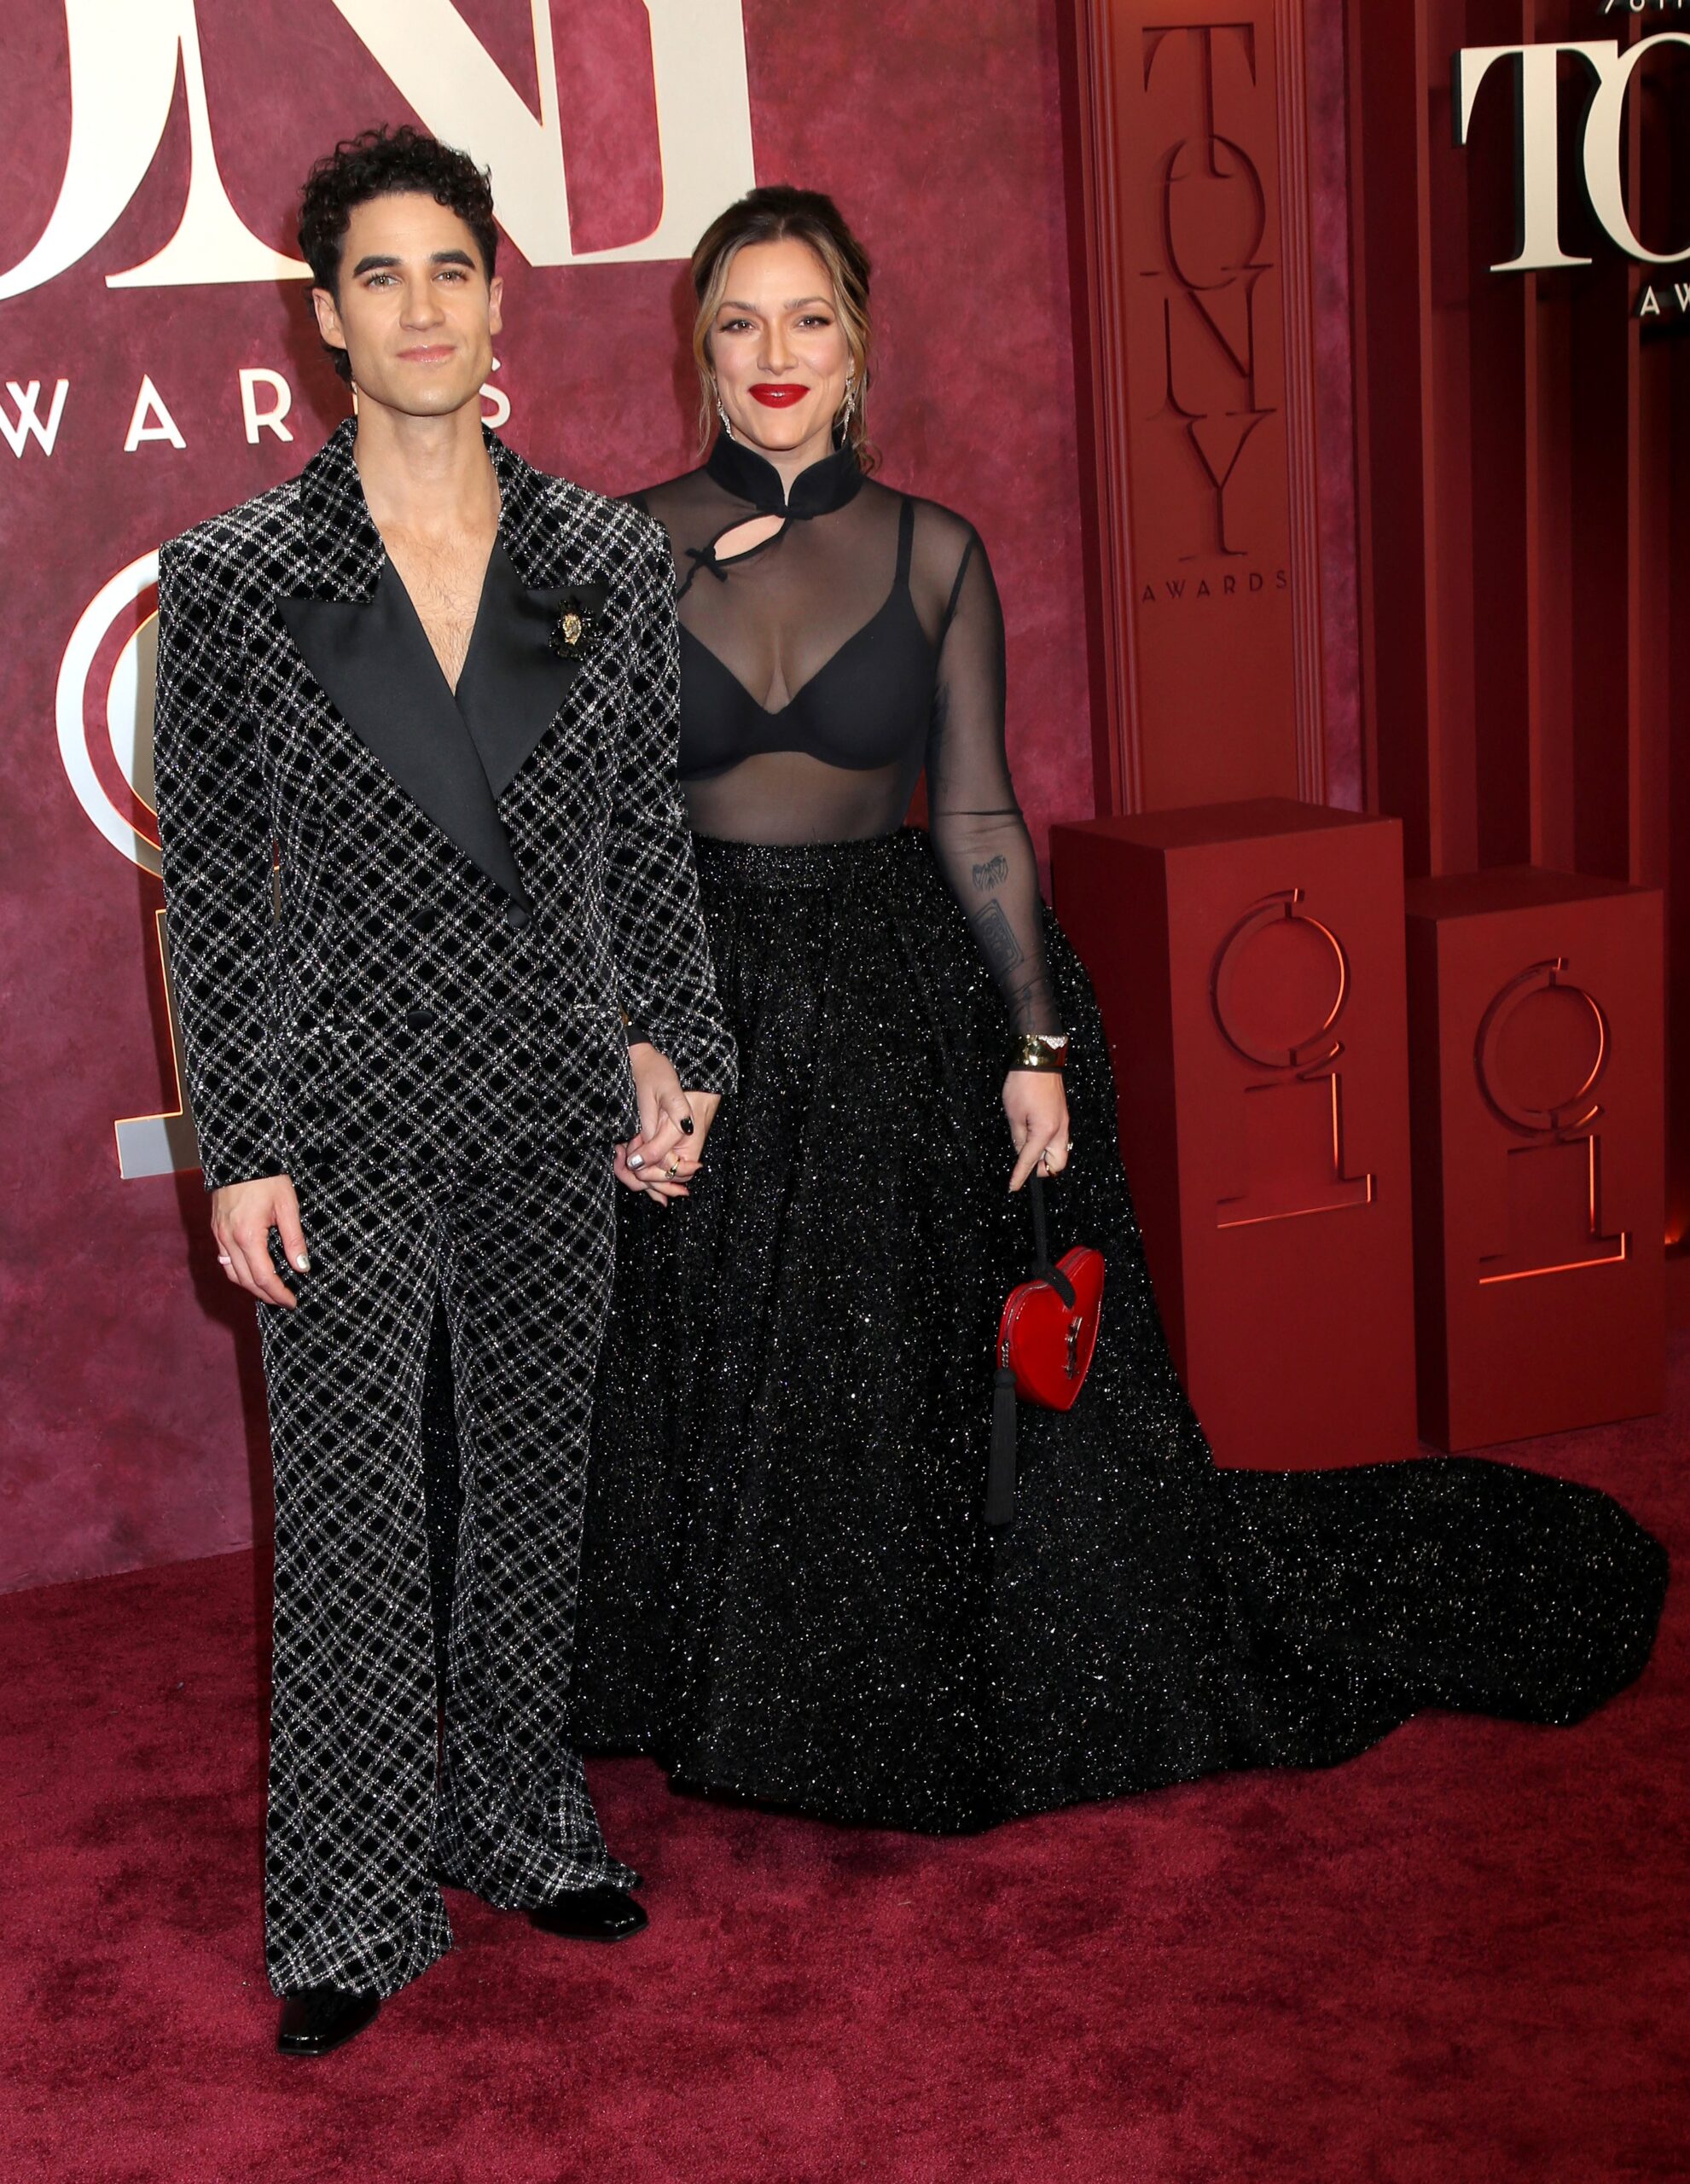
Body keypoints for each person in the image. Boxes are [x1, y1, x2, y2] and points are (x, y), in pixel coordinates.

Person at [572, 186, 1667, 1833]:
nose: (774, 354)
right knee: (709, 1345)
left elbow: (978, 816)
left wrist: (1032, 1041)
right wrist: (630, 1035)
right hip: (701, 993)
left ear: (857, 343)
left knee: (889, 1362)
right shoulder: (617, 544)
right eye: (739, 322)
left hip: (895, 994)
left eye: (808, 319)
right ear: (699, 352)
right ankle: (707, 1672)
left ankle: (864, 1686)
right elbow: (579, 828)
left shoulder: (936, 551)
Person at [150, 127, 733, 2056]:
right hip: (349, 1105)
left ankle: (518, 1811)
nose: (420, 307)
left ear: (498, 294)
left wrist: (676, 1040)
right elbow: (221, 893)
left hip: (551, 1094)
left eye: (451, 269)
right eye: (379, 276)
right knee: (348, 1515)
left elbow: (642, 841)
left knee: (531, 1492)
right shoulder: (234, 578)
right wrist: (241, 1147)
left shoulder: (601, 556)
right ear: (323, 317)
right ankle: (344, 1894)